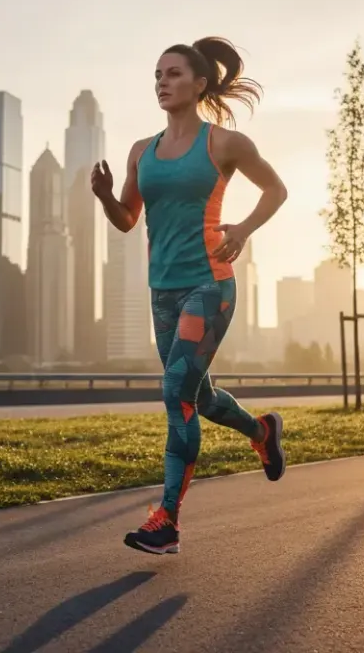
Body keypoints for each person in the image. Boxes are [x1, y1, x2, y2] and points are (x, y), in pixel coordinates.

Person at [90, 36, 289, 555]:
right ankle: (261, 431)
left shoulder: (224, 144)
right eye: (157, 74)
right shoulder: (142, 151)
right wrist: (107, 197)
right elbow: (128, 221)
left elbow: (276, 190)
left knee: (175, 391)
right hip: (164, 292)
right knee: (195, 396)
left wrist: (242, 229)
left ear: (200, 84)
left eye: (173, 73)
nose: (162, 82)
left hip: (210, 283)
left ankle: (168, 520)